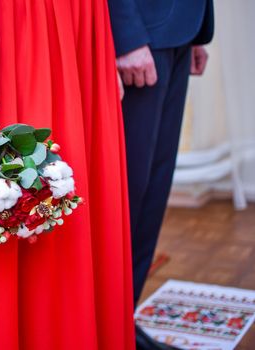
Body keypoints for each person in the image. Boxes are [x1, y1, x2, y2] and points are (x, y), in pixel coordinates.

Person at [0, 0, 135, 349]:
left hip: (76, 23)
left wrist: (95, 43)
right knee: (6, 212)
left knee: (74, 222)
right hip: (10, 23)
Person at [107, 0, 214, 349]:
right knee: (126, 194)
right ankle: (105, 328)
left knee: (153, 189)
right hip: (139, 31)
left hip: (178, 27)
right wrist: (125, 34)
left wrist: (197, 28)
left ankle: (123, 322)